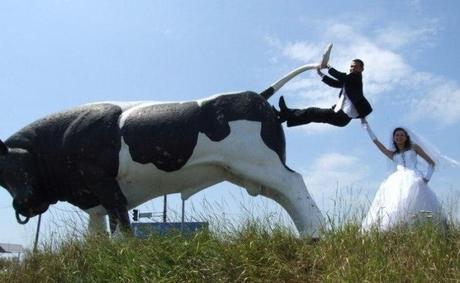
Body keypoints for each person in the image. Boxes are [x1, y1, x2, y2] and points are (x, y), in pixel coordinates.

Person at [361, 121, 445, 231]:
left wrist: (426, 179)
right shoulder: (393, 154)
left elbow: (431, 163)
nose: (399, 137)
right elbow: (376, 142)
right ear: (393, 138)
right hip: (396, 182)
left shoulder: (414, 148)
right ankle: (398, 230)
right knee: (396, 205)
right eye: (397, 135)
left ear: (406, 137)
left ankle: (421, 230)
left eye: (402, 135)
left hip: (415, 180)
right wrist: (367, 127)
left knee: (417, 206)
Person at [275, 59, 372, 127]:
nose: (352, 68)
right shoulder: (349, 81)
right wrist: (321, 74)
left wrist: (328, 67)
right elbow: (335, 83)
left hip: (342, 116)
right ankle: (284, 116)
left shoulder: (355, 79)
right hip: (340, 116)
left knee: (312, 112)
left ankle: (286, 114)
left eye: (355, 67)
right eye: (351, 66)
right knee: (312, 115)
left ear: (361, 69)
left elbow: (341, 77)